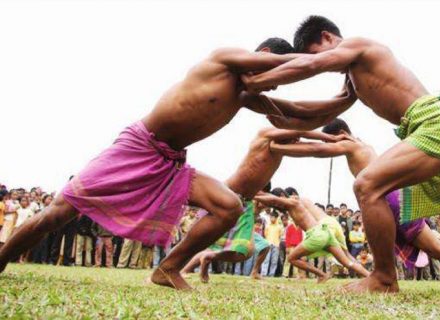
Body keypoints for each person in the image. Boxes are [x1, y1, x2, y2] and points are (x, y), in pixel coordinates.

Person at [242, 15, 440, 292]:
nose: (327, 66)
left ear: (327, 37)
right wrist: (271, 108)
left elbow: (312, 64)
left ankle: (384, 278)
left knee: (367, 184)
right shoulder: (352, 80)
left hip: (439, 123)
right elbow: (319, 114)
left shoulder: (357, 45)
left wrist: (255, 79)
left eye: (319, 52)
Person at [0, 37, 330, 290]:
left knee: (228, 206)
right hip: (138, 146)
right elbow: (287, 64)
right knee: (61, 211)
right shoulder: (223, 59)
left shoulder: (247, 97)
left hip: (171, 163)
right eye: (273, 75)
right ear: (261, 54)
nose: (271, 84)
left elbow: (297, 114)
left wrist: (348, 96)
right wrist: (328, 58)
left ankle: (167, 269)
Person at [270, 118, 440, 286]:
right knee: (431, 248)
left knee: (436, 248)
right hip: (392, 198)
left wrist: (287, 140)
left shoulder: (350, 144)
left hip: (392, 199)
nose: (329, 145)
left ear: (341, 134)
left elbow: (317, 150)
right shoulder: (362, 144)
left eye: (329, 140)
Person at [180, 123, 344, 283]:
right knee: (224, 247)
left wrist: (329, 142)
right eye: (293, 139)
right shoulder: (267, 135)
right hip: (235, 201)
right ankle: (186, 267)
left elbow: (306, 143)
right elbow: (303, 134)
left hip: (239, 206)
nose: (295, 142)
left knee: (254, 247)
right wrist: (328, 137)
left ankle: (250, 270)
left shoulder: (275, 151)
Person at [254, 192, 370, 282]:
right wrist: (259, 195)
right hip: (326, 232)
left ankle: (321, 274)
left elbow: (274, 199)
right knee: (347, 261)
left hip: (317, 234)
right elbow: (273, 199)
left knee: (291, 258)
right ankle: (370, 276)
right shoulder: (297, 204)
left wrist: (254, 195)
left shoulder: (293, 202)